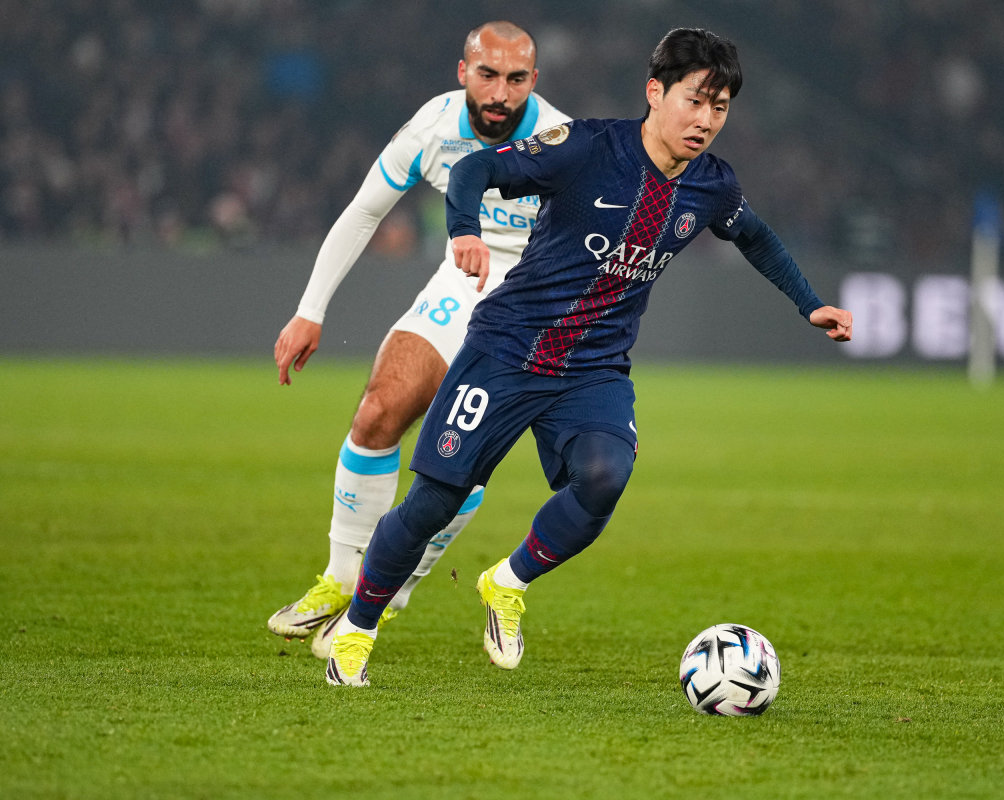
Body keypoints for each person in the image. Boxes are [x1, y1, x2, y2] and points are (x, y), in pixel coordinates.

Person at [323, 28, 853, 687]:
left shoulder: (712, 185)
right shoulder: (583, 149)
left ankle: (506, 583)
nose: (705, 120)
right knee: (433, 501)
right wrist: (463, 231)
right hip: (507, 349)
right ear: (655, 92)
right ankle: (357, 629)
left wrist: (809, 304)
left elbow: (755, 236)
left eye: (720, 107)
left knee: (605, 476)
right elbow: (474, 169)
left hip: (593, 370)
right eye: (695, 100)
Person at [266, 21, 569, 659]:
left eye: (516, 79)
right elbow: (364, 210)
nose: (500, 92)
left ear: (532, 83)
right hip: (463, 278)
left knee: (462, 448)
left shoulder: (560, 140)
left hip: (533, 301)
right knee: (379, 408)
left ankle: (397, 579)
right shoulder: (433, 128)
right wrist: (309, 310)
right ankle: (342, 576)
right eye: (487, 75)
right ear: (463, 72)